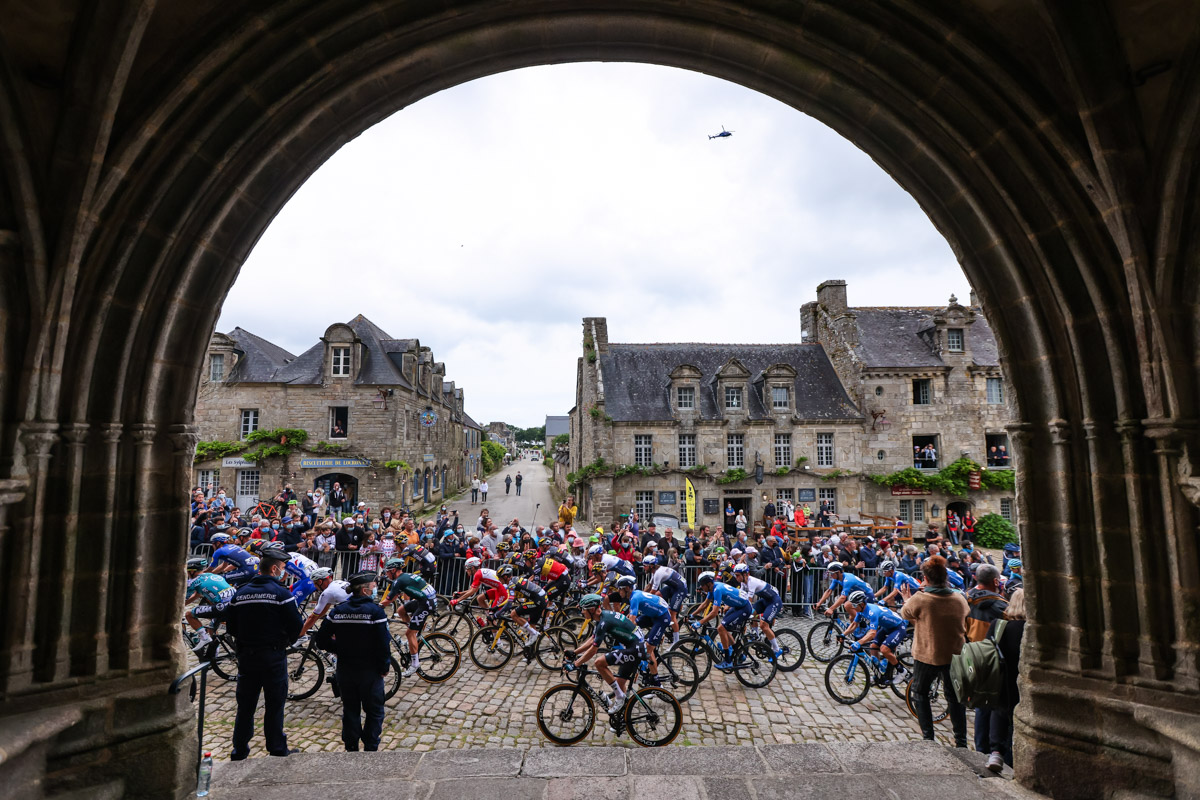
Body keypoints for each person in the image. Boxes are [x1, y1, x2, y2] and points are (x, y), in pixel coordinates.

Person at [224, 544, 302, 760]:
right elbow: (296, 626)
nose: (285, 571)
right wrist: (284, 641)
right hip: (273, 656)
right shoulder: (281, 593)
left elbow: (230, 626)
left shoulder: (241, 593)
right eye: (284, 568)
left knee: (245, 706)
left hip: (247, 656)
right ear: (275, 570)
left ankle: (239, 749)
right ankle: (276, 747)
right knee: (275, 704)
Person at [315, 571, 390, 752]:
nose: (375, 590)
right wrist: (384, 666)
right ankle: (371, 746)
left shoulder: (338, 611)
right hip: (370, 670)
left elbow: (321, 640)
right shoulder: (375, 612)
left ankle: (351, 746)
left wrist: (339, 648)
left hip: (346, 669)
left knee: (350, 710)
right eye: (373, 587)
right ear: (364, 590)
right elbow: (383, 643)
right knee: (374, 711)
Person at [900, 555, 969, 747]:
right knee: (954, 697)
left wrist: (908, 598)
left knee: (920, 692)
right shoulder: (958, 598)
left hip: (927, 655)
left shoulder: (922, 599)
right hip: (954, 654)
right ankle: (961, 740)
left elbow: (905, 613)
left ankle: (928, 737)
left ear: (926, 578)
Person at [566, 593, 647, 715]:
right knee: (619, 686)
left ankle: (619, 699)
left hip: (635, 649)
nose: (582, 612)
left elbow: (594, 649)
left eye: (584, 609)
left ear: (592, 609)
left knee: (599, 663)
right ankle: (622, 718)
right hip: (635, 646)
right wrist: (574, 652)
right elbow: (593, 639)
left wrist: (576, 664)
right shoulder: (601, 618)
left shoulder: (604, 621)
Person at [987, 588, 1026, 772]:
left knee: (999, 711)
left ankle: (995, 752)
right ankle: (1013, 759)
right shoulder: (1029, 631)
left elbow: (987, 651)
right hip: (1020, 681)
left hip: (1000, 679)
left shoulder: (998, 625)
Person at [844, 589, 909, 685]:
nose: (853, 607)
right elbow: (854, 624)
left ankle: (902, 671)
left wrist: (859, 642)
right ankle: (878, 674)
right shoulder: (860, 610)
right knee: (873, 647)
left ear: (862, 604)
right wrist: (843, 634)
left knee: (884, 649)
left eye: (854, 605)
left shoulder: (872, 612)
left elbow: (872, 633)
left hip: (898, 627)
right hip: (887, 627)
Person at [695, 570, 753, 670]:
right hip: (738, 606)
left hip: (744, 608)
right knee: (723, 627)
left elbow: (714, 613)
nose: (701, 587)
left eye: (702, 585)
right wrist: (692, 614)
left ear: (708, 584)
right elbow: (705, 604)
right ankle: (739, 654)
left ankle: (728, 661)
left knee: (721, 628)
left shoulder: (717, 589)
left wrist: (700, 622)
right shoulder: (712, 588)